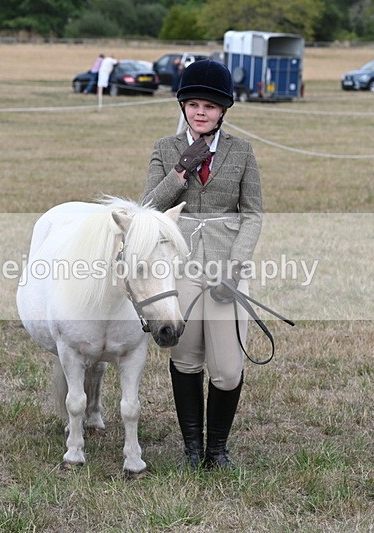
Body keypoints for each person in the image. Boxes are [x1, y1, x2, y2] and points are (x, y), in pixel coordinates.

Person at [141, 60, 263, 470]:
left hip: (227, 271)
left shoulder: (242, 152)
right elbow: (147, 208)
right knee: (186, 359)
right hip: (181, 270)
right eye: (193, 104)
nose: (200, 112)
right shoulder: (165, 148)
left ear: (223, 110)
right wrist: (180, 170)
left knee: (227, 369)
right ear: (183, 106)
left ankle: (218, 450)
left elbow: (253, 214)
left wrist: (236, 265)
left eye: (209, 106)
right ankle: (194, 450)